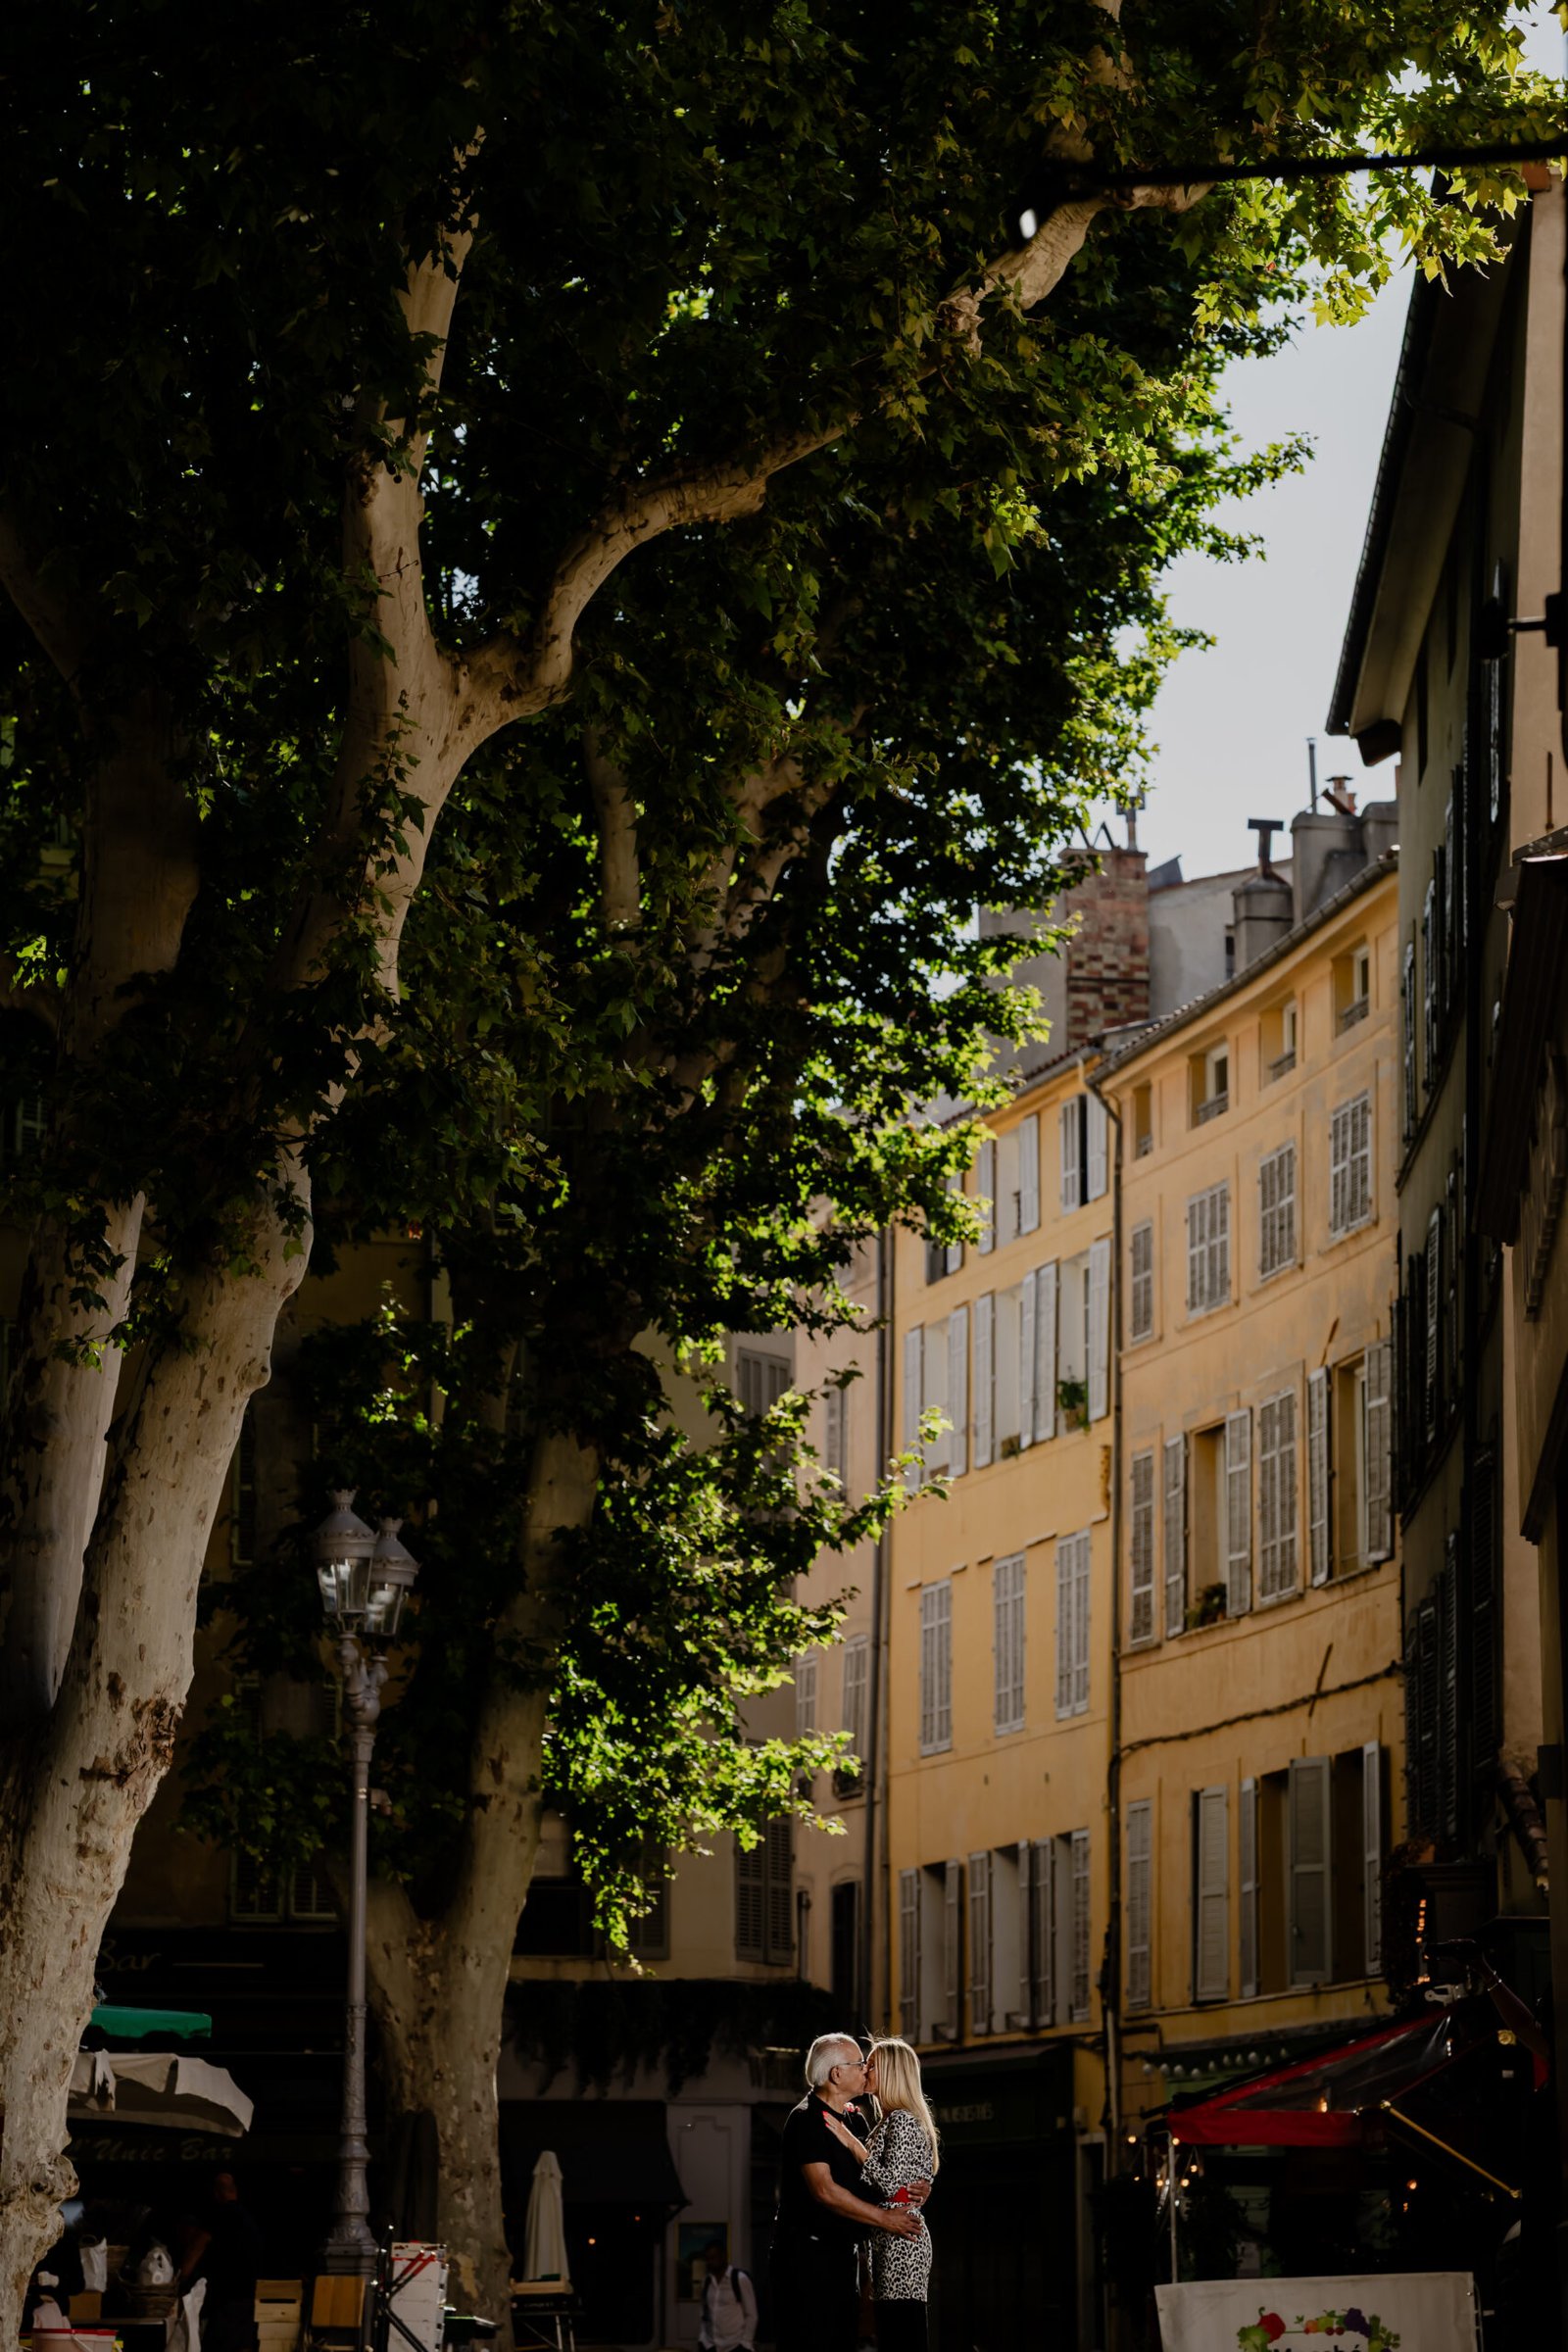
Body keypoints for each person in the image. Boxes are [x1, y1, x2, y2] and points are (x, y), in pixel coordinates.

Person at [769, 2033, 924, 2352]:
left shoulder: (855, 2119)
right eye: (860, 2063)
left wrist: (918, 2188)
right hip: (807, 2258)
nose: (866, 2069)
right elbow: (825, 2191)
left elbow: (881, 2179)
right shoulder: (806, 2119)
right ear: (837, 2074)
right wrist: (884, 2218)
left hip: (845, 2256)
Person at [822, 2037, 938, 2352]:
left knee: (903, 2332)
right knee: (892, 2330)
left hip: (903, 2242)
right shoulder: (887, 2121)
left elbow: (889, 2183)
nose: (864, 2070)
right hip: (887, 2239)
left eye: (871, 2065)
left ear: (891, 2072)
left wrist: (851, 2142)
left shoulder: (901, 2120)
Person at [178, 2170, 263, 2352]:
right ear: (235, 2191)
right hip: (248, 2297)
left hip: (225, 2300)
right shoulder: (249, 2219)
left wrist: (180, 2279)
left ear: (216, 2193)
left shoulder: (217, 2215)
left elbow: (195, 2249)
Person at [697, 2240, 757, 2352]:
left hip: (734, 2345)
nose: (709, 2262)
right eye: (707, 2259)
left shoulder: (739, 2279)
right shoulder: (707, 2281)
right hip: (711, 2345)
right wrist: (703, 2337)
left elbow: (751, 2314)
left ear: (723, 2256)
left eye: (713, 2258)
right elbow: (704, 2312)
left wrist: (745, 2342)